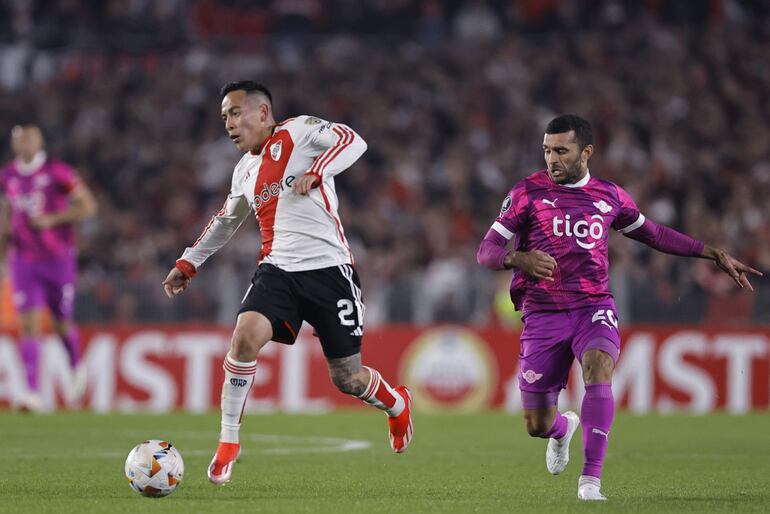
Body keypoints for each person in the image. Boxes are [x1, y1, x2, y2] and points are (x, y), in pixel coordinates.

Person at [476, 115, 762, 501]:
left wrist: (711, 253)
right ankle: (562, 430)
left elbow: (655, 234)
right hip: (543, 312)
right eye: (547, 150)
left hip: (593, 305)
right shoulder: (526, 193)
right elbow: (486, 251)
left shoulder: (609, 196)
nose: (551, 159)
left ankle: (590, 481)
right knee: (536, 423)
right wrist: (518, 259)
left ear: (586, 152)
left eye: (561, 150)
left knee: (599, 366)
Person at [163, 81, 413, 485]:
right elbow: (226, 221)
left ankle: (397, 404)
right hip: (277, 270)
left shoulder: (298, 132)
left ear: (263, 113)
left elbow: (354, 140)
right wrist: (189, 263)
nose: (228, 123)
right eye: (224, 116)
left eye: (235, 113)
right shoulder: (244, 170)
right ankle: (228, 442)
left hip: (331, 271)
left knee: (347, 378)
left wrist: (317, 170)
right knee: (244, 338)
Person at [0, 124, 98, 411]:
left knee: (59, 322)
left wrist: (53, 219)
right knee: (28, 324)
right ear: (14, 144)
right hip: (22, 259)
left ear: (40, 141)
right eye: (20, 139)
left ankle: (75, 365)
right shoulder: (7, 176)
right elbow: (6, 211)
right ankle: (31, 393)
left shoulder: (58, 172)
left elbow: (88, 207)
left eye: (30, 138)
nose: (25, 144)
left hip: (58, 258)